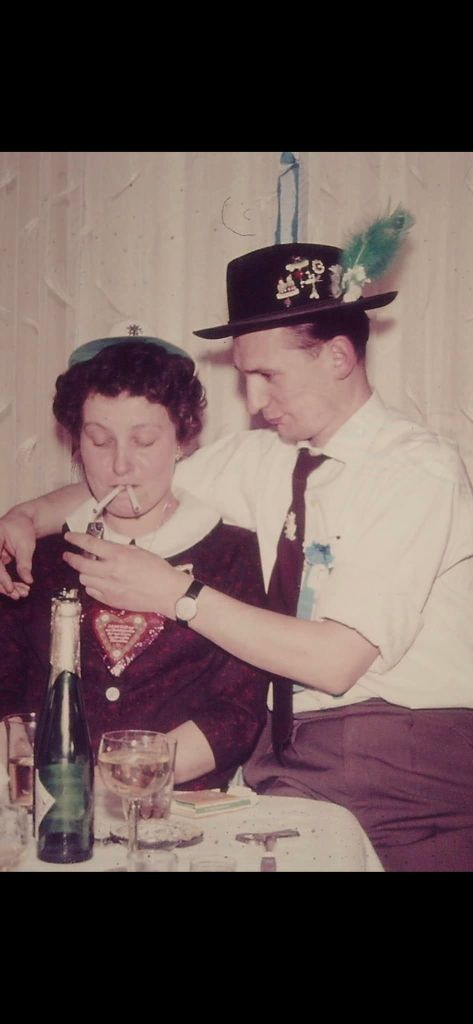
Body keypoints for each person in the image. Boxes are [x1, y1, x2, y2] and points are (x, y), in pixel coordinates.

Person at [2, 215, 473, 871]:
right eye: (244, 377)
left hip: (400, 758)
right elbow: (131, 481)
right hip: (285, 760)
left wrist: (177, 594)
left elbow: (336, 662)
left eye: (267, 376)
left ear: (338, 357)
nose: (252, 402)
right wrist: (24, 516)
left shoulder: (414, 470)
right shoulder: (264, 456)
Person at [0, 337, 269, 791]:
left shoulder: (234, 554)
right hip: (47, 803)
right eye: (99, 441)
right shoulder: (37, 557)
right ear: (77, 443)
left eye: (144, 441)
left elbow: (237, 712)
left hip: (180, 806)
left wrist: (113, 781)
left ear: (181, 440)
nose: (120, 465)